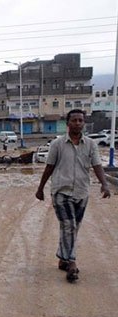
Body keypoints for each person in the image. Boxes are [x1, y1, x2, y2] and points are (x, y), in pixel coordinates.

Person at [35, 109, 111, 283]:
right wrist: (40, 188)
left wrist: (104, 184)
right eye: (74, 120)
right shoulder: (57, 144)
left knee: (73, 228)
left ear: (83, 123)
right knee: (69, 225)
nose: (78, 123)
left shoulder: (91, 144)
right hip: (61, 191)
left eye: (80, 120)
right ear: (67, 123)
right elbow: (49, 167)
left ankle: (63, 258)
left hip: (82, 192)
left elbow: (97, 165)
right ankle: (72, 263)